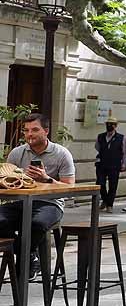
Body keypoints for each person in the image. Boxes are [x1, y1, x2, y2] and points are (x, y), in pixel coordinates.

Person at [1, 113, 75, 277]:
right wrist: (18, 178)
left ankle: (25, 257)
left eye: (34, 130)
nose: (29, 134)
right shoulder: (17, 153)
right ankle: (28, 256)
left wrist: (46, 179)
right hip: (21, 202)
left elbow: (70, 188)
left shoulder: (62, 154)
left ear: (46, 131)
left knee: (37, 224)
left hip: (50, 203)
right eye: (26, 130)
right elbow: (6, 182)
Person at [95, 116, 126, 212]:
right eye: (108, 124)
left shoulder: (121, 138)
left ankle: (109, 204)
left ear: (115, 126)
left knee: (113, 185)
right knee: (100, 183)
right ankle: (105, 199)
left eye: (112, 124)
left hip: (115, 164)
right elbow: (97, 147)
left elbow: (124, 152)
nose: (109, 126)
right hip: (101, 164)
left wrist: (124, 164)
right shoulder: (100, 136)